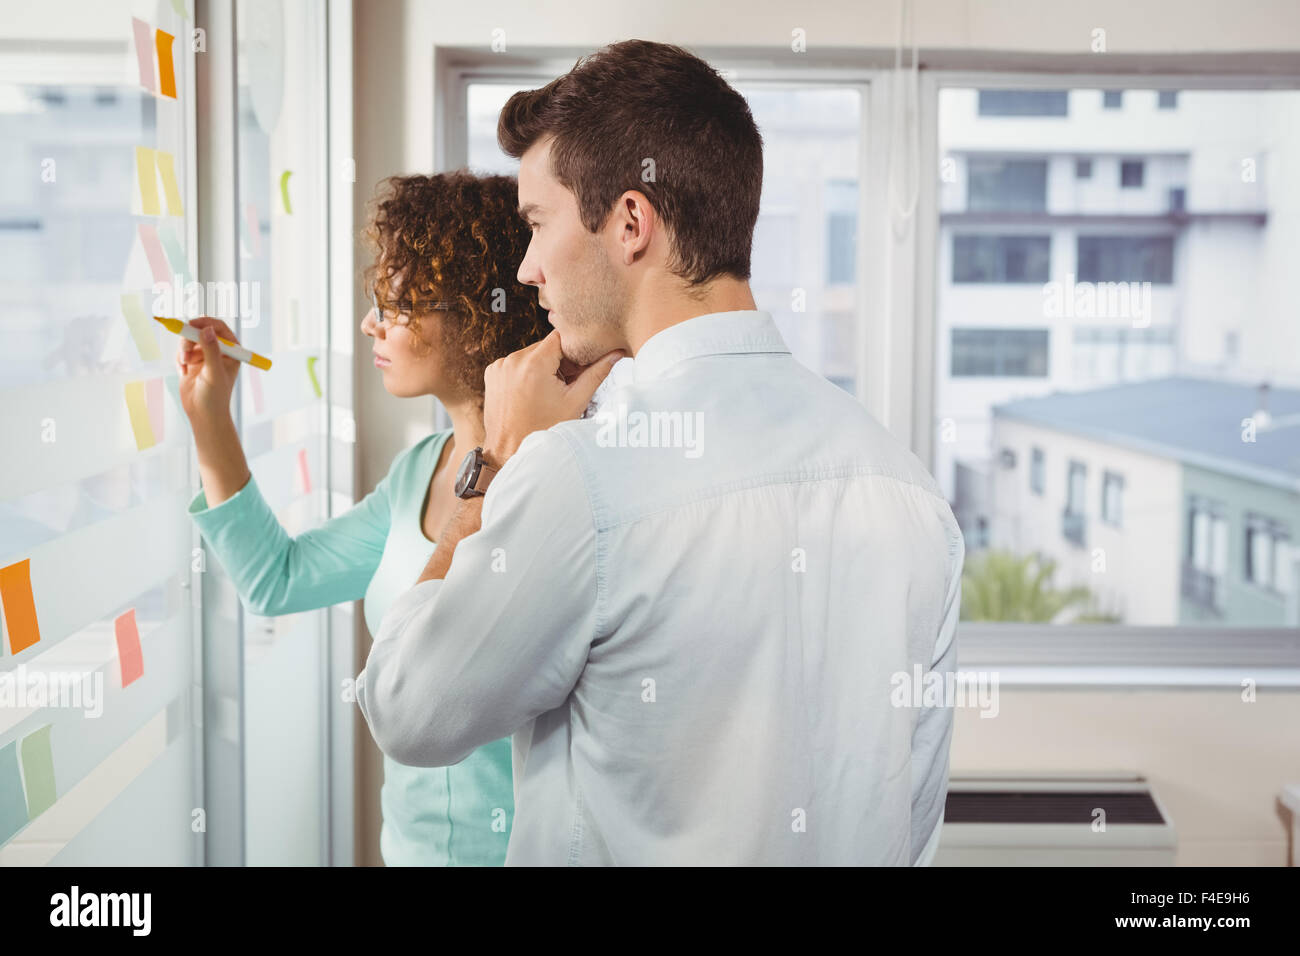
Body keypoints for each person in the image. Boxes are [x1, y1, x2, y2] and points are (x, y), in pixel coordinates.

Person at [356, 39, 965, 865]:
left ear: (631, 223)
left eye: (537, 225)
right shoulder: (908, 489)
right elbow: (911, 815)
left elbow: (403, 709)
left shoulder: (577, 477)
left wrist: (491, 468)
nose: (527, 268)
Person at [177, 171, 550, 865]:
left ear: (475, 316)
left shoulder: (550, 481)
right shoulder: (418, 471)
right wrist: (210, 421)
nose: (370, 322)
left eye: (395, 302)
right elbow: (278, 579)